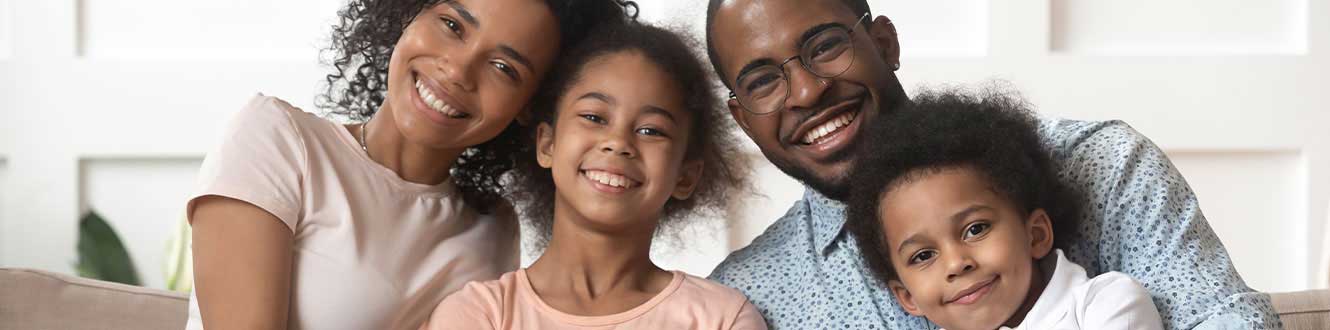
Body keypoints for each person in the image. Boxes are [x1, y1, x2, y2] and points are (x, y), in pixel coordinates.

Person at [701, 0, 1282, 328]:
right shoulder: (745, 301)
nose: (804, 92)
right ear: (742, 116)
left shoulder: (1103, 164)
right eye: (762, 82)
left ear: (885, 44)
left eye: (825, 45)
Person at [186, 1, 631, 329]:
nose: (458, 70)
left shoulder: (492, 227)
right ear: (407, 14)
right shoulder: (278, 139)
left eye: (503, 67)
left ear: (531, 107)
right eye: (453, 25)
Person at [420, 20, 762, 329]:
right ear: (547, 144)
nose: (618, 143)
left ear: (685, 176)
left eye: (651, 131)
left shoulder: (721, 319)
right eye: (594, 117)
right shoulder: (479, 314)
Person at [845, 89, 1163, 330]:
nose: (956, 263)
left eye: (976, 229)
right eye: (923, 255)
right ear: (908, 297)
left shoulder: (1105, 305)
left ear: (1035, 234)